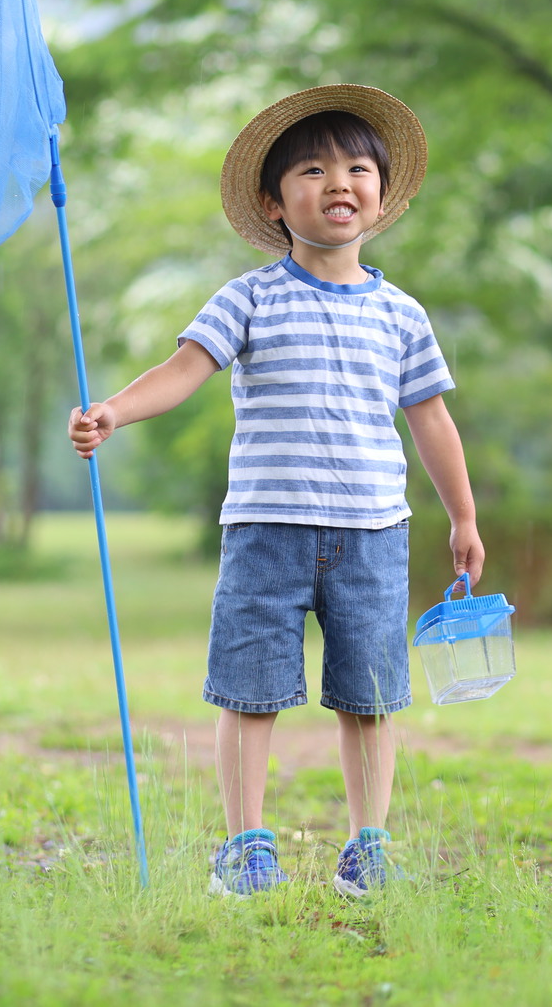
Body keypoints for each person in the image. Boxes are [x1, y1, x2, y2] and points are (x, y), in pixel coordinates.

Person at [67, 85, 483, 899]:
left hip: (371, 533)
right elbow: (182, 369)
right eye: (313, 169)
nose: (339, 182)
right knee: (249, 690)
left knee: (368, 698)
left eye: (358, 168)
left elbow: (431, 421)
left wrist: (463, 514)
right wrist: (113, 410)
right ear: (272, 201)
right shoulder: (250, 297)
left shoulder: (400, 314)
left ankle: (369, 847)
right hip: (265, 530)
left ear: (380, 195)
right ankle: (245, 847)